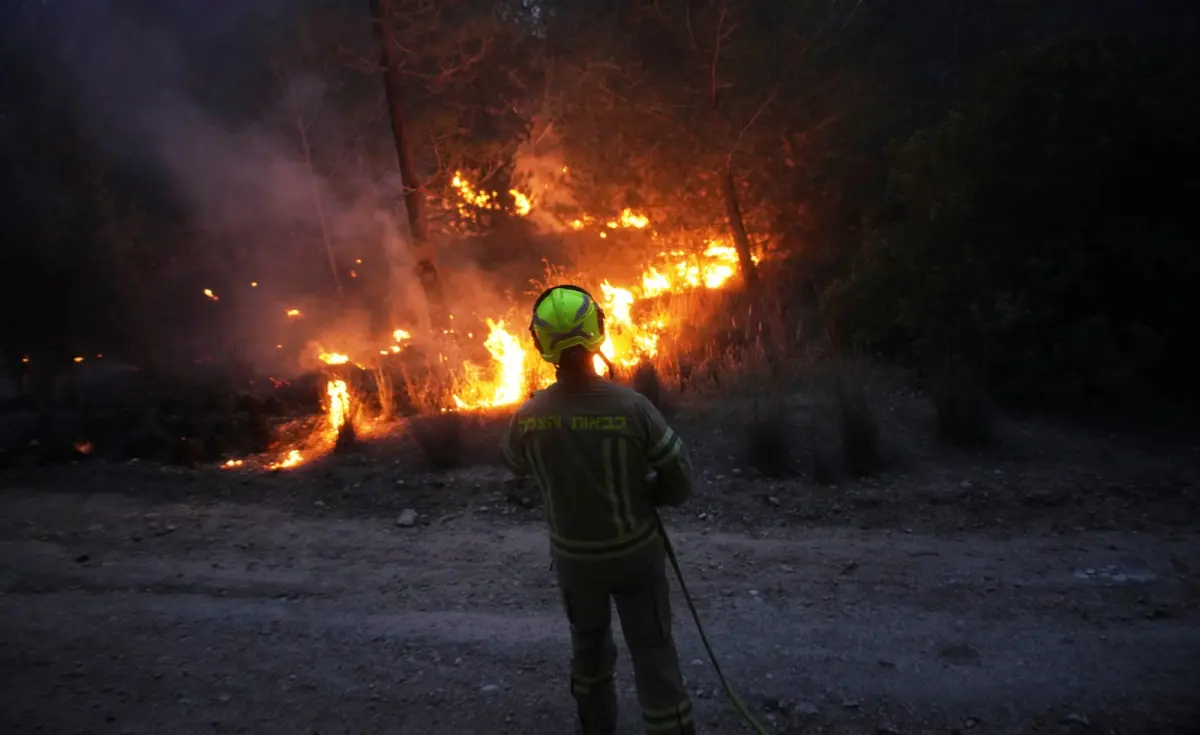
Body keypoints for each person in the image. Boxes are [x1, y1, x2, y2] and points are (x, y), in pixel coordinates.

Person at [501, 284, 697, 735]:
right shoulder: (633, 408)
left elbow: (514, 468)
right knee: (653, 654)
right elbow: (681, 481)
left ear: (539, 344)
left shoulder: (528, 417)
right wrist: (653, 496)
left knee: (588, 653)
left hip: (575, 563)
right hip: (635, 556)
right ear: (598, 334)